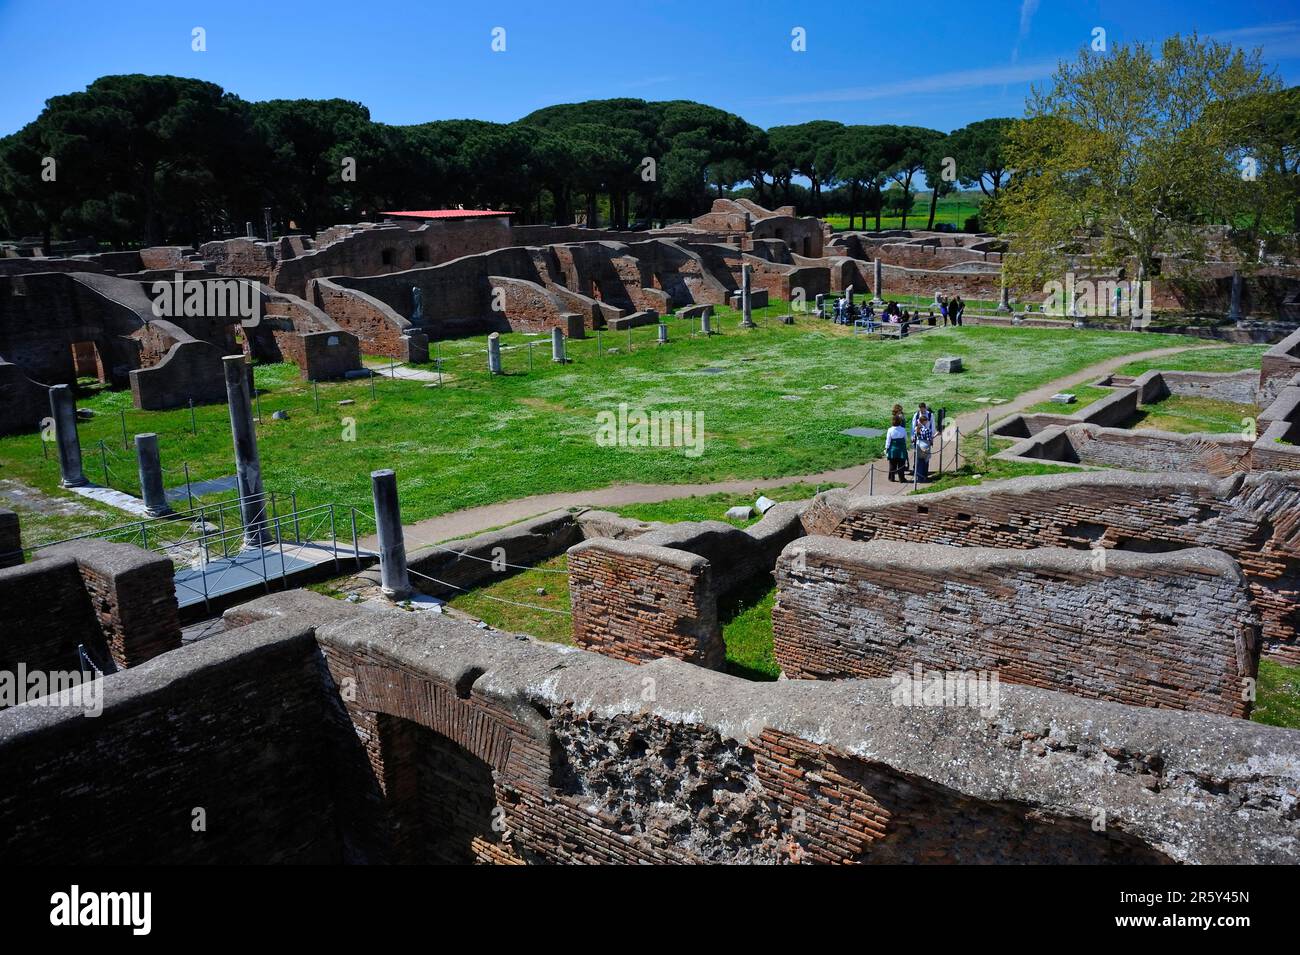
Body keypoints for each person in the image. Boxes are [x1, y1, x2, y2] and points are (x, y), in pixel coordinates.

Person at [912, 407, 934, 483]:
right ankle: (924, 477)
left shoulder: (916, 429)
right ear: (924, 422)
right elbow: (929, 439)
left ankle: (918, 477)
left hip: (918, 445)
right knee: (925, 462)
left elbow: (914, 439)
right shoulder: (927, 430)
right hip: (925, 446)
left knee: (918, 462)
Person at [885, 412, 909, 481]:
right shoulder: (903, 429)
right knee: (901, 464)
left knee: (892, 464)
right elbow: (905, 439)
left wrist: (886, 448)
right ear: (900, 422)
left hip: (893, 449)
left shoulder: (890, 430)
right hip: (901, 449)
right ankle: (901, 478)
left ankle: (891, 478)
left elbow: (888, 440)